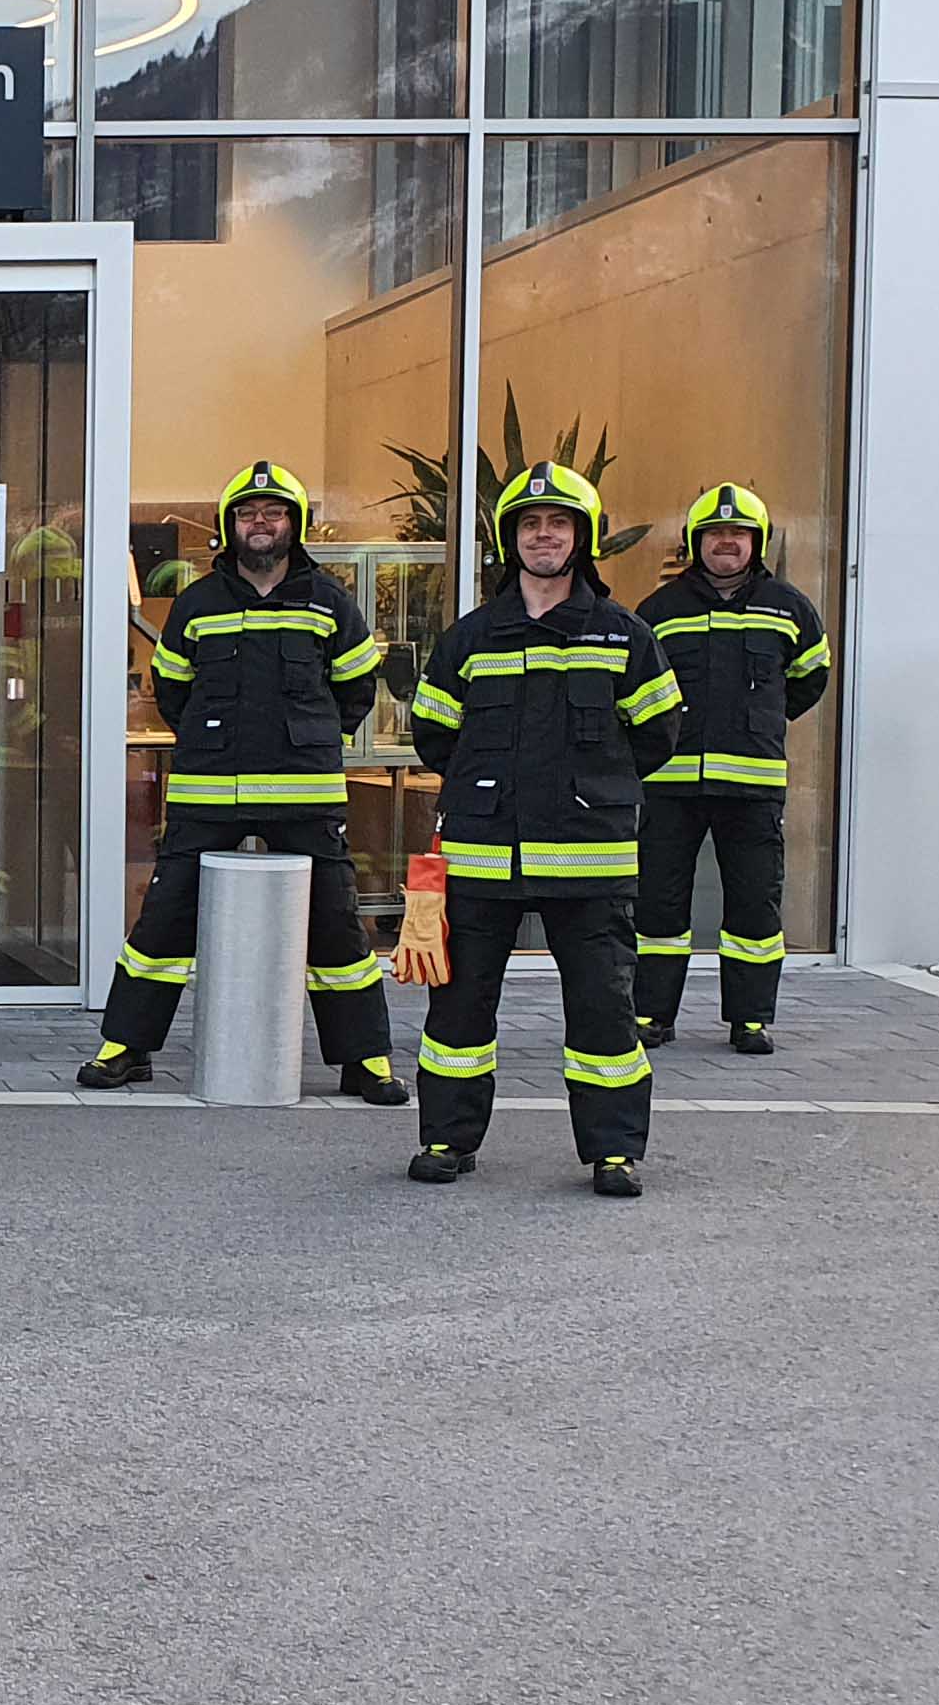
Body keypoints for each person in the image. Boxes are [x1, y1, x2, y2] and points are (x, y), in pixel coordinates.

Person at [77, 457, 402, 1103]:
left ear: (294, 524)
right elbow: (171, 691)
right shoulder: (197, 603)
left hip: (304, 797)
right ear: (231, 526)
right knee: (164, 922)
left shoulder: (330, 601)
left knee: (335, 925)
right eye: (249, 513)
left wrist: (306, 742)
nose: (261, 522)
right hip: (207, 795)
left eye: (273, 512)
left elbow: (356, 690)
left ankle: (364, 1060)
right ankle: (127, 1048)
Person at [403, 461, 681, 1196]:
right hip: (482, 860)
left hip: (590, 866)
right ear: (510, 539)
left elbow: (658, 735)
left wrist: (591, 792)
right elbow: (434, 736)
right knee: (459, 1008)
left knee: (605, 1013)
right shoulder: (468, 639)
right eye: (530, 524)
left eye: (559, 523)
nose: (545, 535)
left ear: (581, 537)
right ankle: (446, 1139)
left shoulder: (625, 636)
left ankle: (613, 1152)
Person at [629, 482, 833, 1055]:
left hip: (753, 788)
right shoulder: (659, 610)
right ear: (696, 541)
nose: (726, 542)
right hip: (670, 787)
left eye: (738, 534)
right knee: (658, 903)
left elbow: (810, 678)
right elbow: (636, 687)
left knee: (754, 904)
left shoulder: (789, 607)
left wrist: (760, 724)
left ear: (756, 542)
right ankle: (651, 1014)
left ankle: (750, 1019)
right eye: (716, 533)